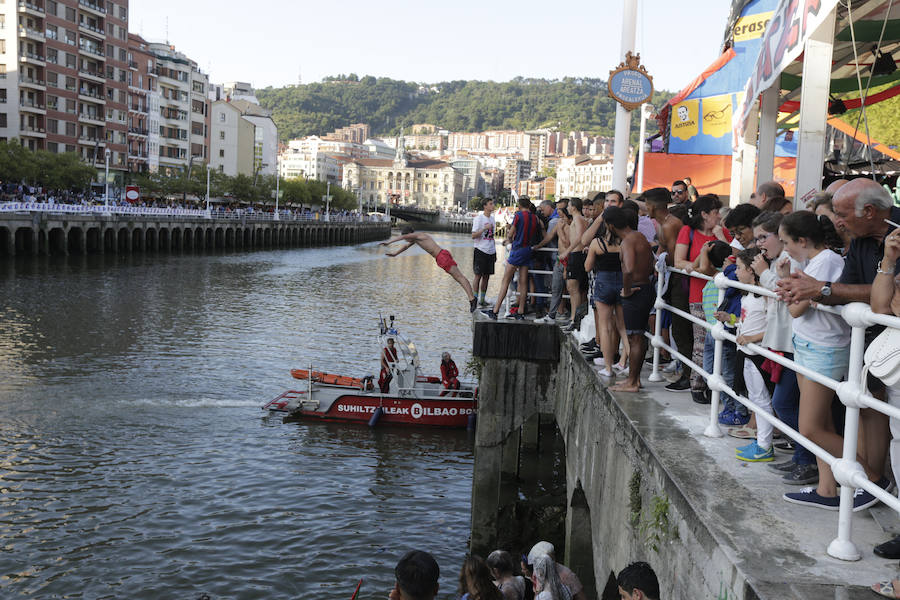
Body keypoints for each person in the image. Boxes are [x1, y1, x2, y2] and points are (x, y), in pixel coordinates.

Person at [779, 211, 889, 510]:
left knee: (811, 428)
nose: (784, 247)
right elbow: (795, 303)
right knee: (822, 422)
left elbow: (795, 309)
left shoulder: (827, 261)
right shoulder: (813, 262)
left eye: (786, 241)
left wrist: (790, 286)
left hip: (824, 349)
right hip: (811, 346)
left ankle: (873, 479)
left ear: (802, 239)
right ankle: (827, 488)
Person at [750, 212, 817, 485]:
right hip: (784, 342)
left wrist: (763, 274)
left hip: (794, 342)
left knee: (784, 403)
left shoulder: (791, 260)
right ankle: (802, 457)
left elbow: (784, 294)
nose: (760, 244)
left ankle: (808, 459)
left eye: (763, 238)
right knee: (786, 403)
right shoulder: (782, 261)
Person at [673, 194, 731, 402]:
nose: (718, 217)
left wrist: (721, 237)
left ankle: (716, 385)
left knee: (720, 342)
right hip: (699, 294)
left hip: (723, 294)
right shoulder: (687, 231)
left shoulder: (722, 232)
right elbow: (679, 260)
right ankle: (697, 384)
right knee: (702, 340)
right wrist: (690, 265)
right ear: (705, 214)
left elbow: (734, 258)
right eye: (715, 213)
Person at [731, 248, 776, 462]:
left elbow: (773, 326)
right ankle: (761, 442)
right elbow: (746, 321)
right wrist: (730, 320)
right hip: (745, 352)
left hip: (758, 354)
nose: (736, 272)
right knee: (755, 399)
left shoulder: (765, 294)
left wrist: (752, 339)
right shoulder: (747, 293)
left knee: (762, 400)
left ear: (751, 269)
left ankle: (765, 446)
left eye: (739, 268)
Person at [604, 207, 655, 393]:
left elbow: (628, 269)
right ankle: (635, 380)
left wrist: (625, 291)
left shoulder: (627, 242)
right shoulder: (639, 236)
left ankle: (632, 382)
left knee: (634, 337)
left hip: (636, 291)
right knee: (638, 337)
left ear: (610, 225)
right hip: (645, 288)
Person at [382, 227, 477, 312]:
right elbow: (406, 246)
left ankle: (472, 299)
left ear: (409, 234)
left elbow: (402, 238)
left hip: (442, 256)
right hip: (441, 257)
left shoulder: (419, 235)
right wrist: (395, 254)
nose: (406, 240)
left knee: (459, 277)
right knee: (458, 278)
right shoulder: (416, 239)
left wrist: (389, 242)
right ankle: (472, 298)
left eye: (406, 238)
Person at [584, 210, 628, 376]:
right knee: (623, 328)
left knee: (605, 327)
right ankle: (625, 362)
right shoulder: (625, 242)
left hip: (603, 283)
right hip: (622, 284)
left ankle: (608, 368)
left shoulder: (597, 243)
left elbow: (587, 267)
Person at [483, 197, 541, 320]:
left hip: (517, 250)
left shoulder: (519, 216)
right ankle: (520, 312)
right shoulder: (534, 218)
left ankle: (495, 310)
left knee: (506, 280)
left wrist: (509, 237)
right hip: (528, 250)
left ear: (519, 206)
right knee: (523, 282)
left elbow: (511, 233)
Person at [534, 202, 569, 323]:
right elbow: (549, 237)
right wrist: (538, 246)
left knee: (571, 289)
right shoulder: (559, 222)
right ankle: (552, 315)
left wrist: (560, 230)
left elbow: (567, 242)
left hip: (569, 258)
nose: (557, 211)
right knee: (556, 287)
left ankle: (572, 316)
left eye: (560, 209)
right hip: (560, 259)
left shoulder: (573, 223)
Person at [558, 197, 589, 331]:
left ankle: (574, 320)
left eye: (569, 206)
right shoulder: (577, 219)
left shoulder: (578, 219)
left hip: (577, 255)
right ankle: (573, 318)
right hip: (575, 255)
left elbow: (580, 237)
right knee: (572, 288)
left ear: (573, 207)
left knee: (573, 287)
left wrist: (567, 252)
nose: (568, 208)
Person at [472, 198, 497, 306]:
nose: (493, 206)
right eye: (490, 204)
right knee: (478, 275)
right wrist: (484, 229)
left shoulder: (492, 219)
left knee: (487, 276)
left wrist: (495, 251)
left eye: (493, 203)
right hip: (480, 250)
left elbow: (492, 237)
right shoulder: (479, 219)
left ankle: (482, 299)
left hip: (490, 251)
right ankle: (474, 299)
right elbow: (473, 235)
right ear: (485, 206)